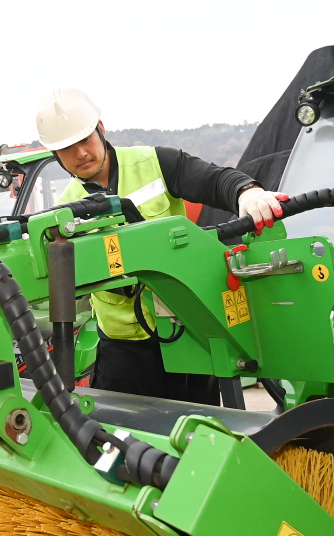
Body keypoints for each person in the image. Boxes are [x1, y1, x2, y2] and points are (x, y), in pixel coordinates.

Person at [37, 88, 285, 405]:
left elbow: (214, 180)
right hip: (124, 348)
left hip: (185, 329)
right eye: (67, 148)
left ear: (101, 128)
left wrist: (246, 193)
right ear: (54, 153)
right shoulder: (64, 212)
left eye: (85, 139)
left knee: (201, 431)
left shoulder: (156, 163)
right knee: (129, 440)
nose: (81, 153)